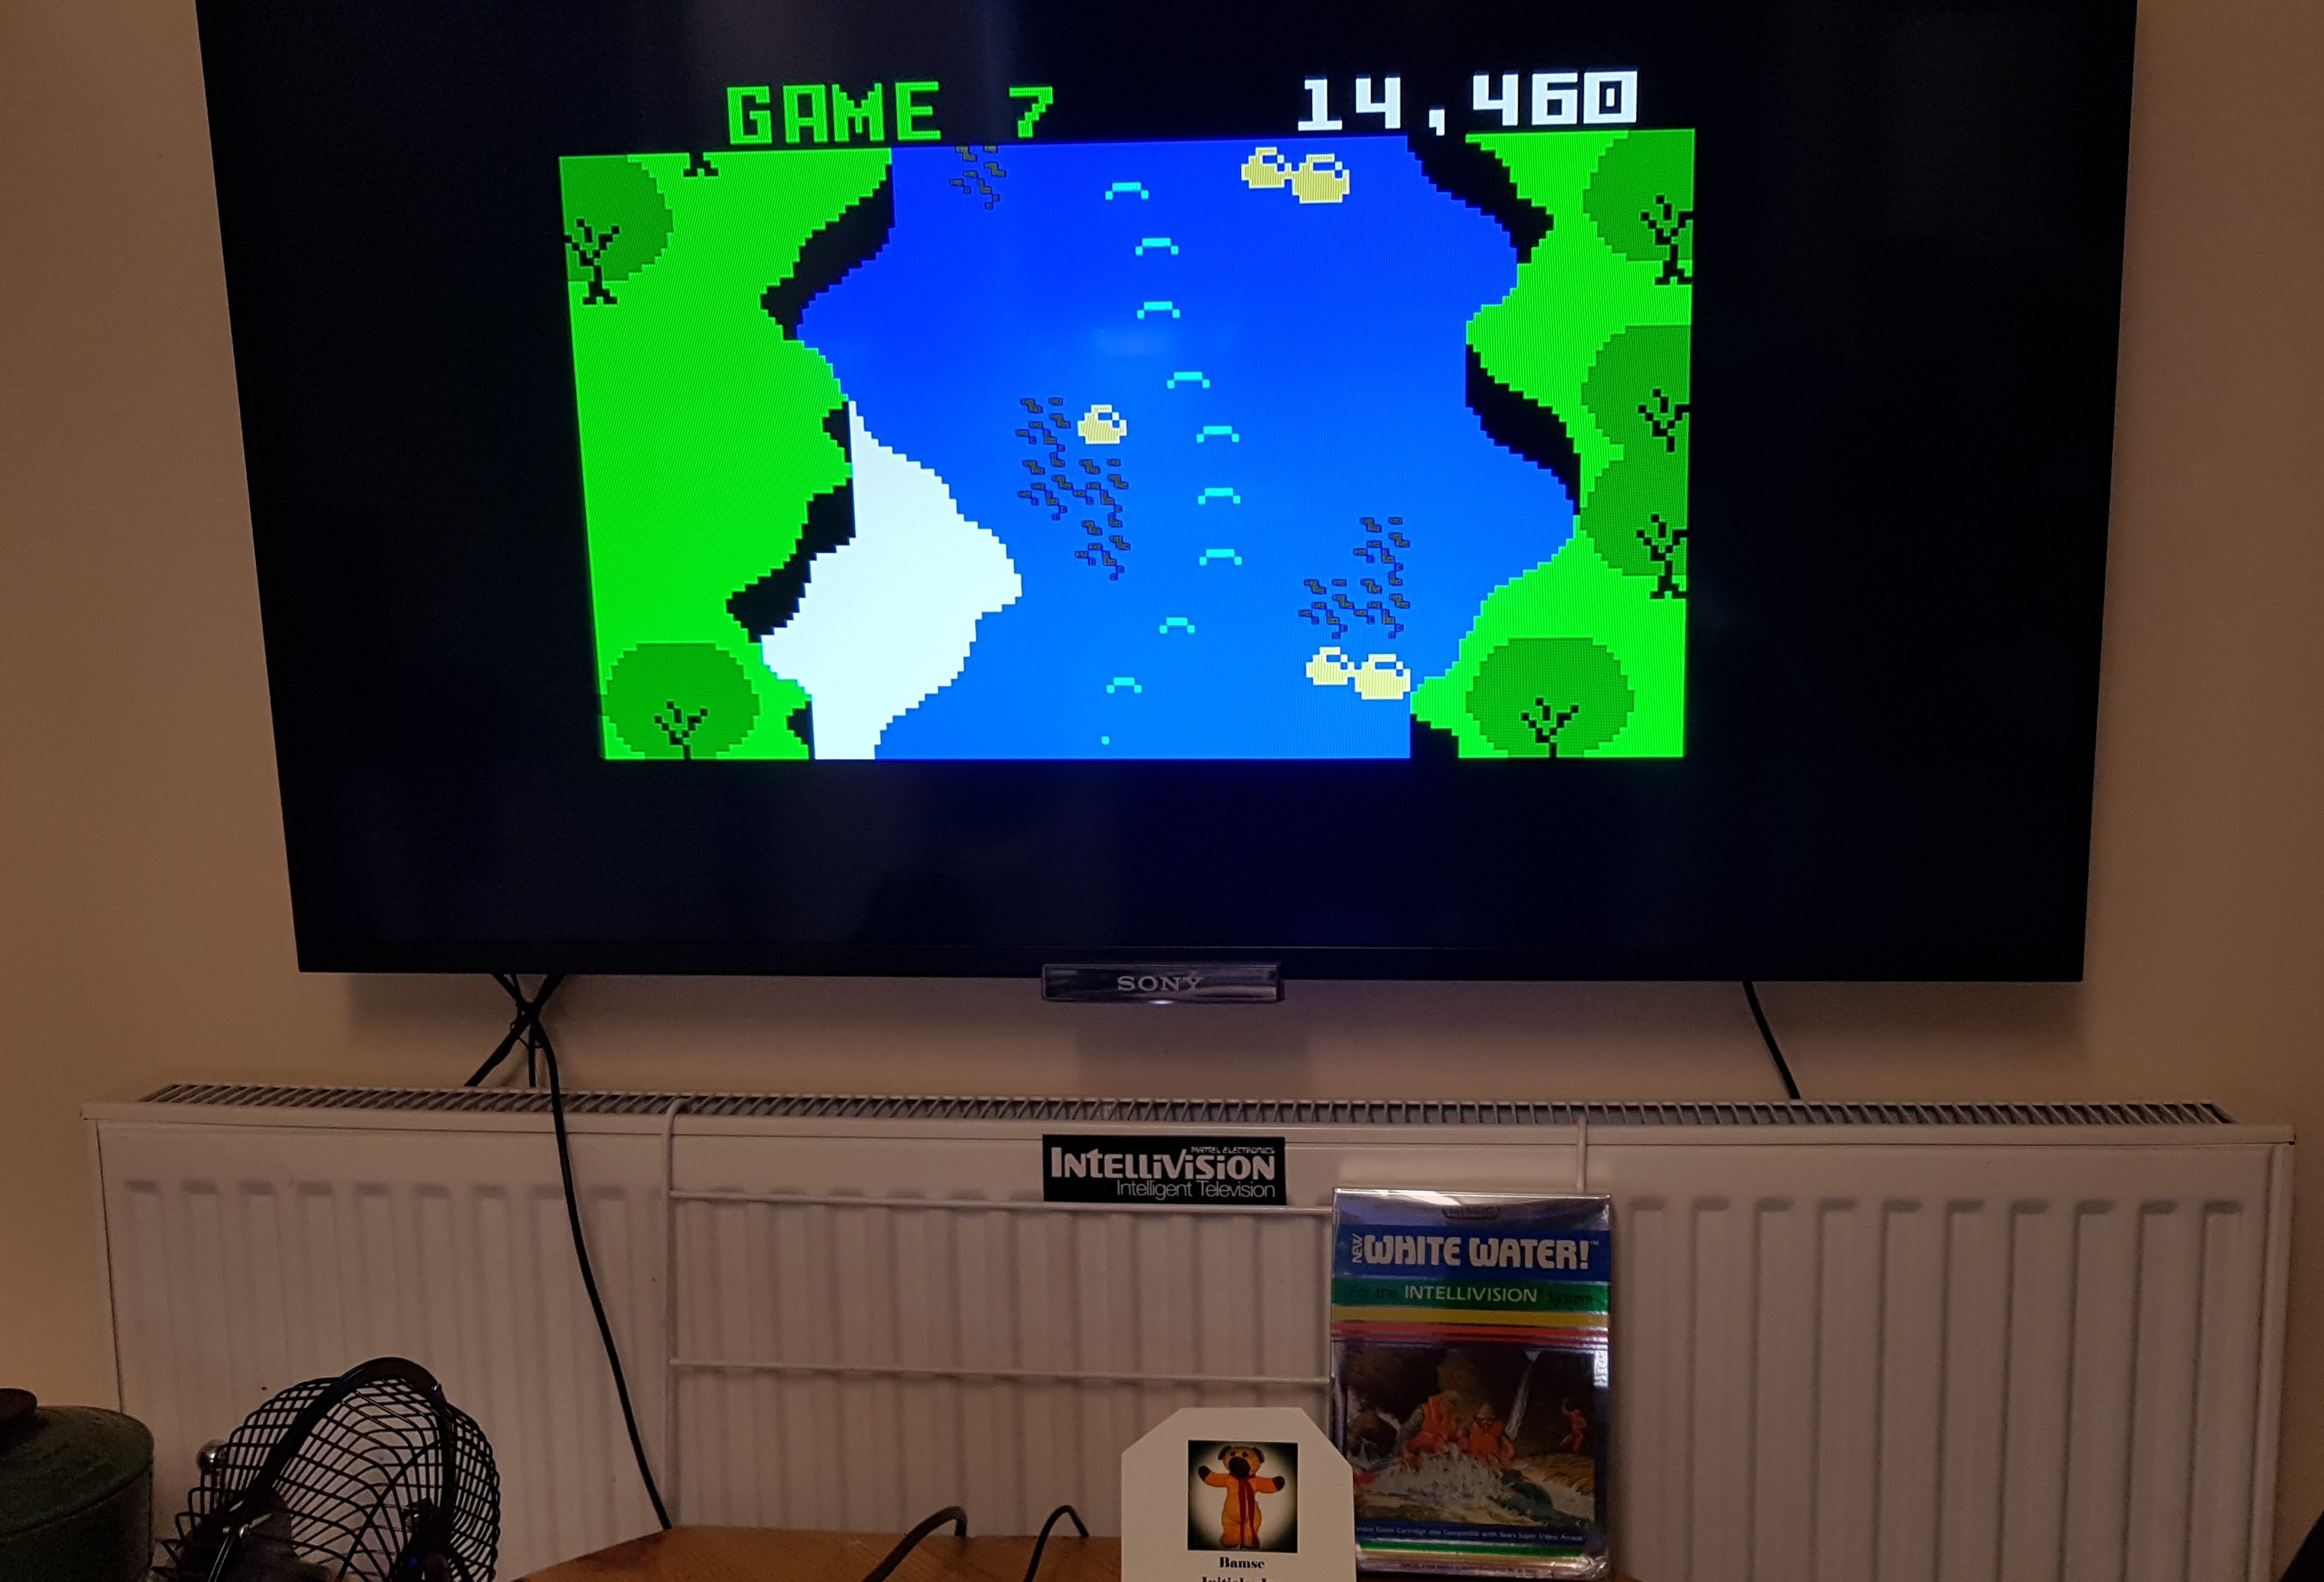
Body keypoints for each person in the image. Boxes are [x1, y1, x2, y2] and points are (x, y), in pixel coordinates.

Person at [1198, 1446, 1286, 1549]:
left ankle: (1249, 1538)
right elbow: (1215, 1479)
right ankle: (1231, 1536)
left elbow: (1266, 1484)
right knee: (1230, 1527)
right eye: (1233, 1455)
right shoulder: (1229, 1479)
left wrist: (1275, 1483)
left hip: (1251, 1516)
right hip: (1230, 1517)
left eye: (1245, 1456)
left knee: (1251, 1527)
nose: (1238, 1460)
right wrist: (1207, 1475)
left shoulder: (1255, 1481)